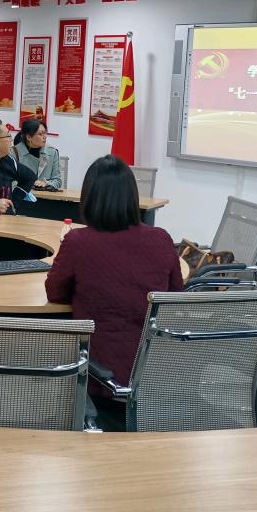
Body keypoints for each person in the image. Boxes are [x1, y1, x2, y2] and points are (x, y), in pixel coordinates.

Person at [45, 155, 183, 431]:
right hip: (154, 374)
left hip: (100, 380)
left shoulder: (78, 242)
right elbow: (175, 294)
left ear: (90, 198)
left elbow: (55, 292)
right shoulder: (161, 238)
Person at [12, 118, 63, 190]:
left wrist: (46, 183)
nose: (45, 136)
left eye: (45, 133)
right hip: (20, 195)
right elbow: (9, 181)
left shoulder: (52, 152)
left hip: (44, 195)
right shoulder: (14, 152)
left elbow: (57, 181)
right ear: (29, 137)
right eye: (40, 134)